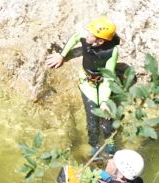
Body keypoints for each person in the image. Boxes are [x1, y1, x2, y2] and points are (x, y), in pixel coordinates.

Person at [46, 17, 120, 154]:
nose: (87, 34)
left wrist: (104, 101)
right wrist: (61, 55)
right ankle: (95, 148)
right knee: (92, 119)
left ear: (100, 41)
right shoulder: (85, 38)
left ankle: (111, 151)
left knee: (107, 121)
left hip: (104, 82)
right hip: (88, 82)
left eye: (90, 33)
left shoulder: (111, 52)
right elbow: (74, 38)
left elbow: (109, 77)